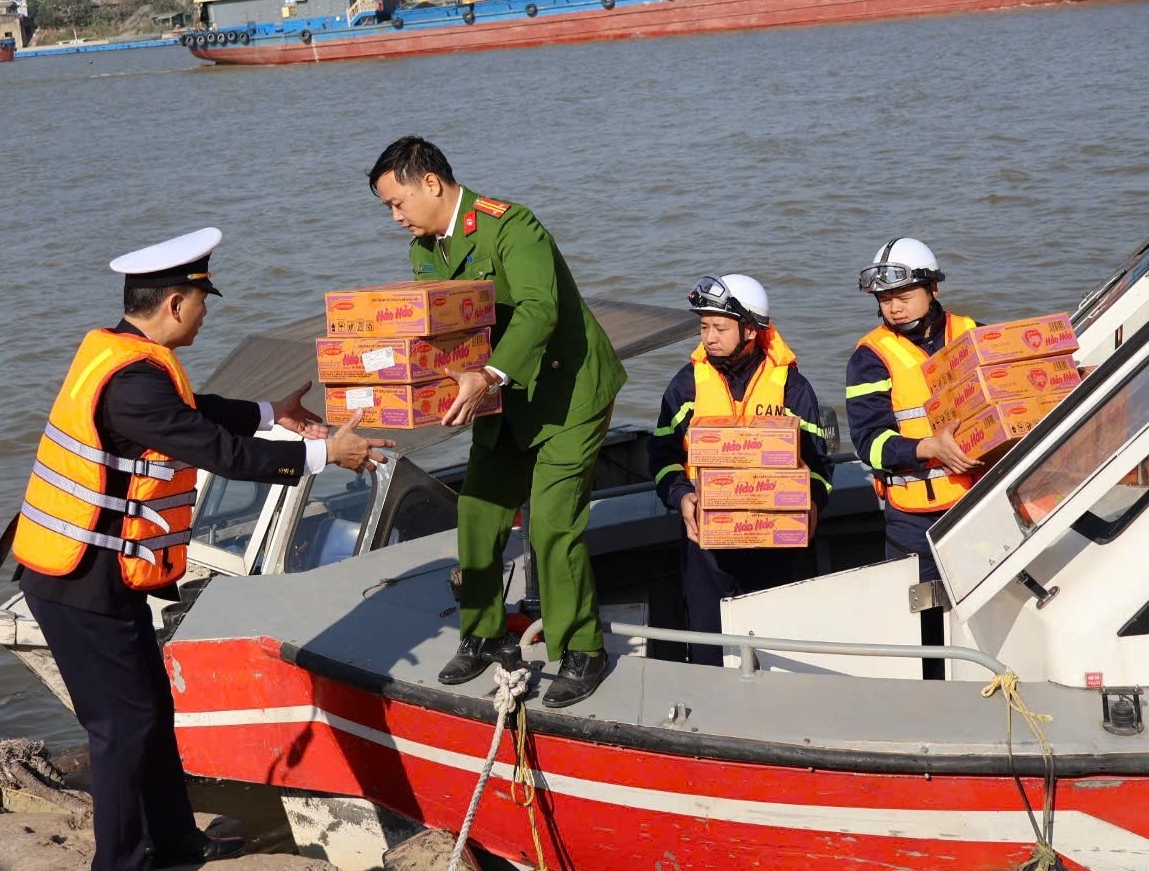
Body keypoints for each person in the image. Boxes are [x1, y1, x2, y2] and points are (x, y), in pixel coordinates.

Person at [12, 227, 393, 871]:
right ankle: (124, 861)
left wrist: (274, 412)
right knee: (120, 729)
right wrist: (326, 452)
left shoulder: (125, 356)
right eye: (203, 297)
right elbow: (218, 452)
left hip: (99, 575)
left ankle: (177, 843)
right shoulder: (133, 383)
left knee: (150, 712)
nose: (207, 309)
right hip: (80, 583)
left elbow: (194, 411)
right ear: (176, 304)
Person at [367, 136, 627, 708]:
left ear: (430, 183)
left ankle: (584, 650)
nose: (395, 218)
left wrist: (486, 375)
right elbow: (437, 330)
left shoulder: (513, 226)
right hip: (498, 397)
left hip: (566, 392)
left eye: (397, 203)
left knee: (552, 525)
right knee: (478, 511)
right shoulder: (427, 248)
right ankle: (483, 634)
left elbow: (539, 308)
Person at [648, 273, 834, 666]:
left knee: (777, 649)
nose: (709, 337)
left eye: (719, 327)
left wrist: (814, 503)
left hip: (776, 544)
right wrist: (682, 497)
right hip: (706, 542)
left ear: (750, 329)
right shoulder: (685, 387)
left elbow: (818, 462)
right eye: (703, 327)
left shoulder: (792, 387)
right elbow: (662, 457)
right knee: (707, 648)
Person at [844, 237, 981, 677]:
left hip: (978, 503)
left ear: (933, 289)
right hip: (913, 520)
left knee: (981, 615)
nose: (894, 308)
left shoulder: (971, 331)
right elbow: (870, 443)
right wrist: (930, 448)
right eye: (885, 300)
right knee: (923, 633)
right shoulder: (870, 357)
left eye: (903, 297)